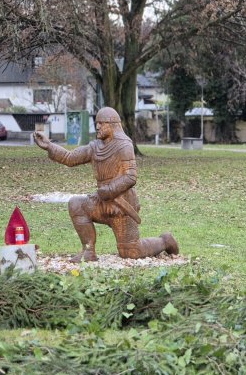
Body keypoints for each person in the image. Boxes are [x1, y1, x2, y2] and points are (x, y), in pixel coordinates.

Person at [33, 106, 178, 261]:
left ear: (113, 124)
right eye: (97, 123)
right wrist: (49, 146)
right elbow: (69, 158)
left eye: (101, 123)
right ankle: (88, 251)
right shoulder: (94, 147)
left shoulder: (124, 146)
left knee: (130, 252)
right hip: (101, 203)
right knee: (76, 204)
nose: (97, 127)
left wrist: (108, 190)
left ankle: (165, 241)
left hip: (121, 205)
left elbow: (130, 176)